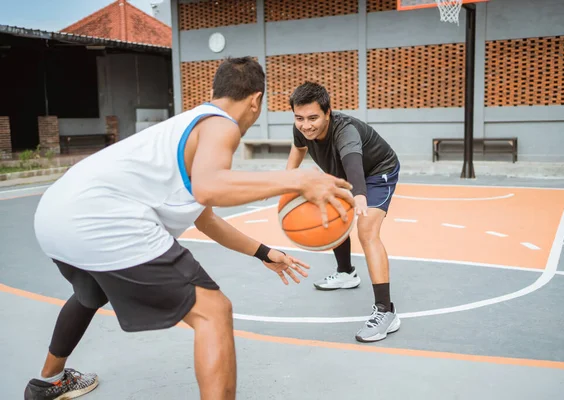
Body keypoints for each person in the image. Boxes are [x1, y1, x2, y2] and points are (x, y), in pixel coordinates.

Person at [24, 57, 354, 400]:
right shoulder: (220, 124)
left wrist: (263, 252)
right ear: (256, 100)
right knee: (214, 312)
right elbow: (209, 188)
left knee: (89, 293)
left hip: (55, 215)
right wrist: (297, 179)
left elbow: (204, 216)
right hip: (105, 219)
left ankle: (48, 381)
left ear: (216, 90)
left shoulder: (184, 125)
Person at [285, 81, 401, 343]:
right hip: (339, 171)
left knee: (366, 231)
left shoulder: (345, 131)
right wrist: (285, 187)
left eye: (313, 117)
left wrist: (358, 195)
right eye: (299, 118)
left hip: (376, 170)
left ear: (328, 112)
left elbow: (353, 161)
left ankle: (386, 311)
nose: (306, 125)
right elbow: (296, 156)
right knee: (328, 215)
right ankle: (346, 273)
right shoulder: (301, 129)